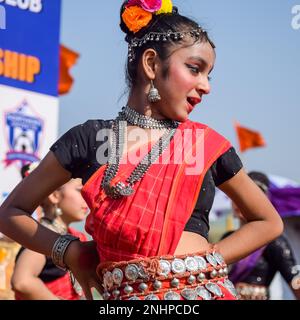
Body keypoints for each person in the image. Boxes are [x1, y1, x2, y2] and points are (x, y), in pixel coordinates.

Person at [0, 0, 283, 300]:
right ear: (151, 64)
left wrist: (201, 264)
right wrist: (69, 251)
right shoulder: (90, 139)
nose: (206, 86)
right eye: (194, 69)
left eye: (208, 75)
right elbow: (10, 213)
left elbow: (268, 221)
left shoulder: (205, 144)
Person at [11, 163, 88, 300]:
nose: (86, 196)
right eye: (79, 190)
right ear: (54, 196)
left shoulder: (74, 235)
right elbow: (22, 282)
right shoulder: (42, 236)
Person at [223, 171, 300, 300]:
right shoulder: (226, 238)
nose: (240, 201)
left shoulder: (273, 241)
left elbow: (296, 281)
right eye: (235, 195)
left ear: (264, 202)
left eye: (249, 195)